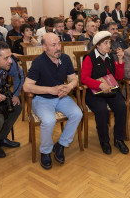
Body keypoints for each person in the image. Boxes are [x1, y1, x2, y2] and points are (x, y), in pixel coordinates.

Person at [23, 33, 83, 170]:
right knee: (49, 121)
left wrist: (69, 87)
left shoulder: (65, 58)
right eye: (53, 45)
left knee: (77, 114)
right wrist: (50, 90)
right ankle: (45, 151)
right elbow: (27, 86)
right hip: (42, 99)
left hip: (61, 97)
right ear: (44, 47)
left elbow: (74, 79)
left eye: (59, 44)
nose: (58, 48)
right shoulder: (38, 62)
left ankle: (61, 145)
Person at [81, 31, 129, 155]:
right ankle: (104, 141)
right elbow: (84, 78)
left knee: (122, 107)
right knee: (102, 110)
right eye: (106, 43)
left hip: (111, 90)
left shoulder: (110, 57)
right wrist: (99, 84)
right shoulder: (89, 58)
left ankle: (119, 139)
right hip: (94, 92)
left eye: (109, 43)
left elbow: (118, 76)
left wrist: (119, 60)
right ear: (97, 45)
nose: (109, 46)